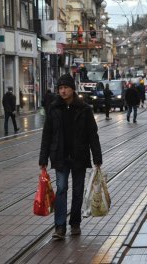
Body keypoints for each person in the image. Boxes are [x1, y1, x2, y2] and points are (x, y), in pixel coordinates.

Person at [39, 74, 102, 240]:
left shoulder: (84, 109)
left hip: (79, 156)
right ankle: (60, 226)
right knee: (61, 189)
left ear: (72, 89)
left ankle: (75, 223)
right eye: (60, 88)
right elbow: (47, 135)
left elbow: (92, 135)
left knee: (78, 191)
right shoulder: (53, 108)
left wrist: (97, 157)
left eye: (66, 87)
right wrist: (43, 159)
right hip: (60, 156)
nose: (63, 91)